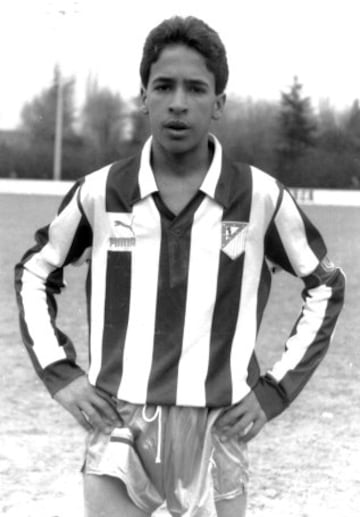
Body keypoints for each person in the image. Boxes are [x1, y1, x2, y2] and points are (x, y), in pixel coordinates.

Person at [15, 15, 345, 517]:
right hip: (119, 419)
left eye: (196, 88)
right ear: (142, 96)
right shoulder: (101, 193)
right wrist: (62, 374)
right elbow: (35, 273)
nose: (177, 102)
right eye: (163, 86)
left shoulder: (259, 198)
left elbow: (325, 284)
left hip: (219, 424)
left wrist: (274, 391)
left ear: (218, 104)